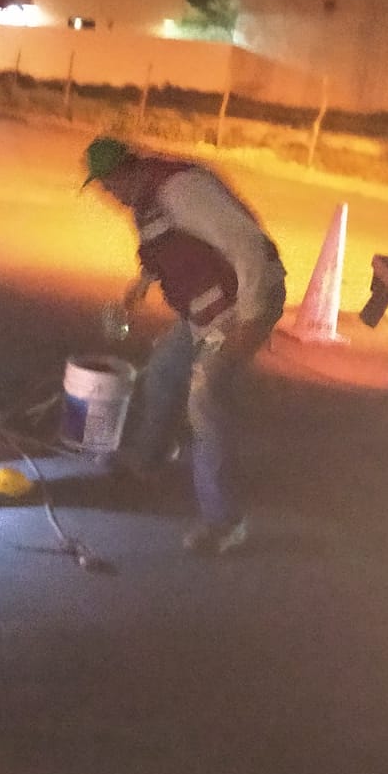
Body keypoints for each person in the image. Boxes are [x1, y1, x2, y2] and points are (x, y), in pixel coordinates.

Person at [82, 136, 287, 554]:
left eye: (110, 183)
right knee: (163, 373)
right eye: (102, 187)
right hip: (205, 310)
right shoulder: (146, 199)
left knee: (206, 399)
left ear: (128, 170)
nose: (109, 195)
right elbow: (164, 246)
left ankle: (224, 523)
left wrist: (249, 320)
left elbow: (248, 245)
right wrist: (140, 284)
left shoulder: (182, 190)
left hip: (240, 305)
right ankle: (147, 462)